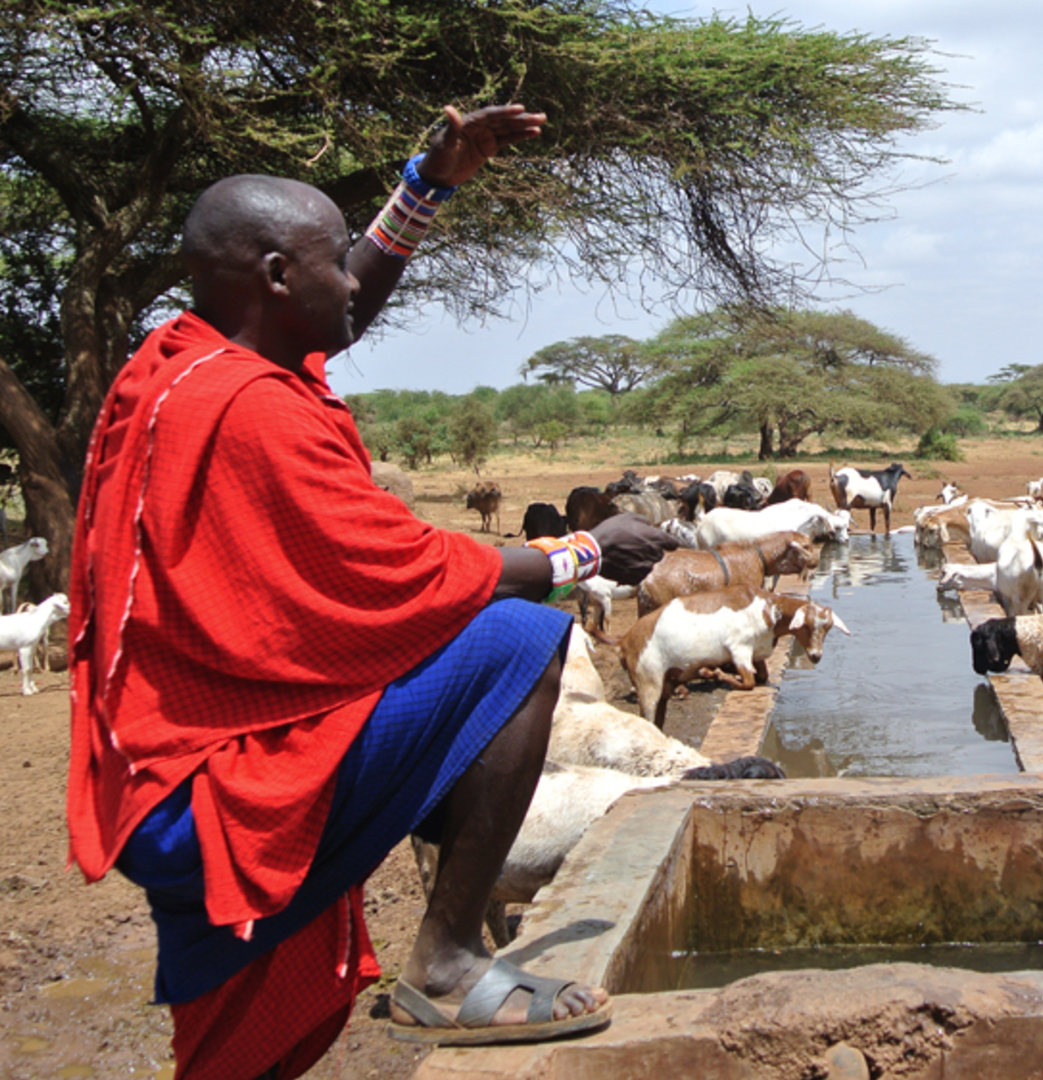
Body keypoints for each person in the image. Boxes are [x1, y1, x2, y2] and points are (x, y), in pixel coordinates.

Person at [66, 104, 678, 1080]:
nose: (352, 278)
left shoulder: (182, 367)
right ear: (276, 277)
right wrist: (586, 554)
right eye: (330, 258)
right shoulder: (257, 414)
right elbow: (420, 573)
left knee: (247, 1042)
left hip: (153, 766)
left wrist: (427, 186)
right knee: (517, 643)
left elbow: (338, 305)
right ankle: (441, 961)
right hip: (210, 793)